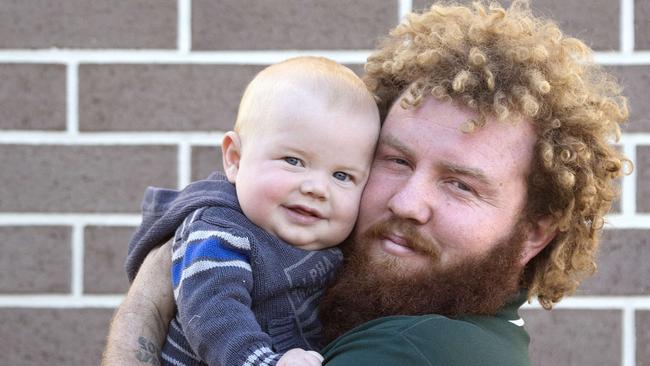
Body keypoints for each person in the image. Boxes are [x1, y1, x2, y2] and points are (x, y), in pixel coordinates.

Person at [103, 1, 630, 365]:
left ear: (534, 233)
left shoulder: (412, 349)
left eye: (461, 185)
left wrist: (152, 292)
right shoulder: (374, 308)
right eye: (395, 160)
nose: (408, 202)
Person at [122, 56, 380, 366]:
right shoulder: (219, 231)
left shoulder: (338, 245)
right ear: (234, 159)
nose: (317, 188)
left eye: (342, 176)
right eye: (293, 160)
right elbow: (214, 315)